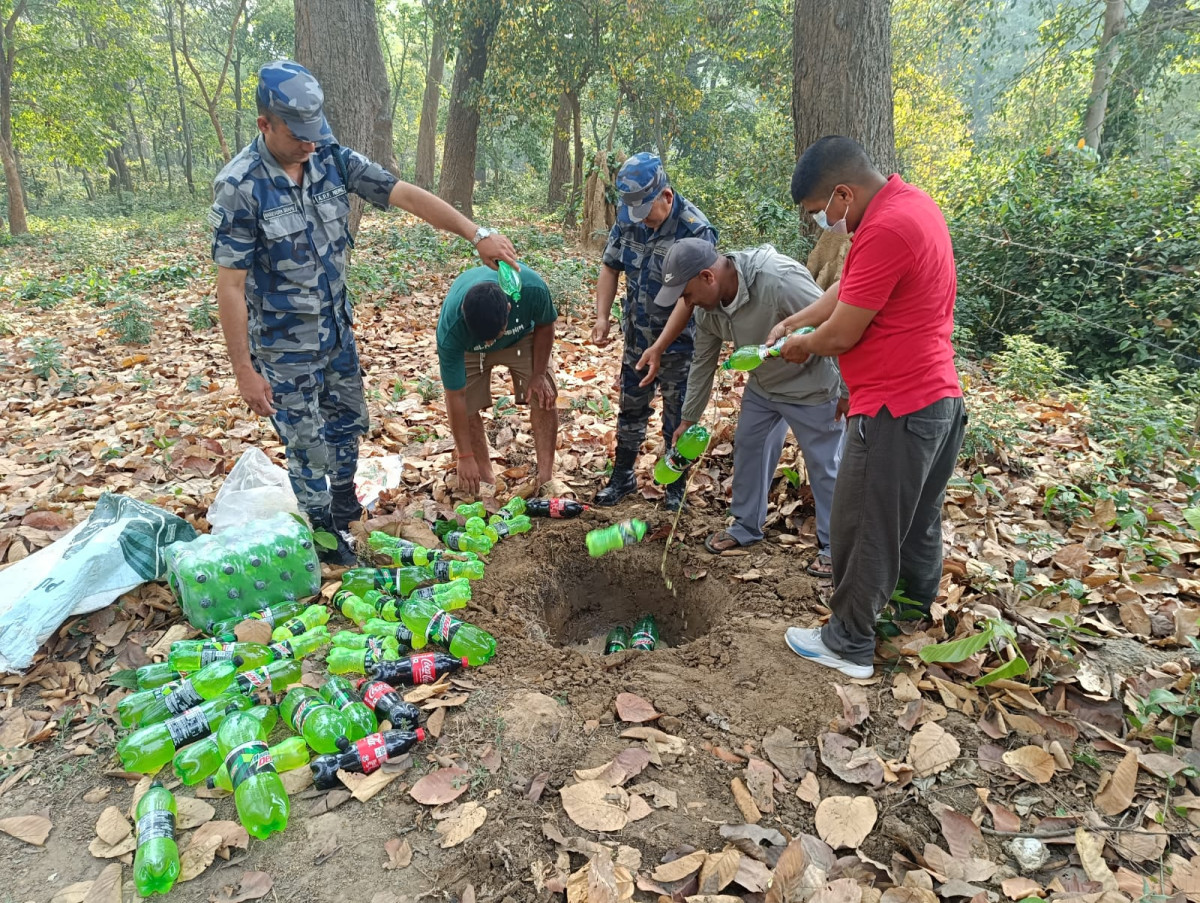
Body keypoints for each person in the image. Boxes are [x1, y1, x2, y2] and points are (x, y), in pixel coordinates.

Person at [210, 60, 516, 566]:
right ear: (265, 124)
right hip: (284, 348)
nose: (310, 145)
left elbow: (405, 194)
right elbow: (231, 285)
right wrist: (245, 370)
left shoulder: (330, 156)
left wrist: (475, 233)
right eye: (297, 135)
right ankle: (327, 540)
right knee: (305, 445)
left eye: (315, 133)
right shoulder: (239, 185)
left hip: (335, 332)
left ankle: (344, 501)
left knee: (347, 423)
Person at [770, 136, 966, 679]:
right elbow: (849, 294)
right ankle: (907, 612)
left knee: (864, 526)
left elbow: (842, 332)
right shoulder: (909, 206)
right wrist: (797, 319)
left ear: (840, 194)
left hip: (896, 408)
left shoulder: (885, 228)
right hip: (937, 399)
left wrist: (802, 343)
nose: (820, 224)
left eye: (818, 213)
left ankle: (848, 641)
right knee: (917, 519)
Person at [635, 239, 846, 575]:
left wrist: (849, 390)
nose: (686, 304)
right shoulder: (707, 307)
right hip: (763, 386)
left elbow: (838, 325)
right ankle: (746, 526)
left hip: (812, 387)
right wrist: (689, 419)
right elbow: (703, 361)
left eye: (687, 294)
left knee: (826, 466)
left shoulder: (779, 279)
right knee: (750, 447)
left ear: (708, 277)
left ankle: (838, 548)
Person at [590, 152, 717, 511]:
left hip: (680, 343)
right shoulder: (629, 219)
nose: (642, 221)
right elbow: (610, 266)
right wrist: (602, 316)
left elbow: (694, 297)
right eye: (636, 213)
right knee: (631, 408)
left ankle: (674, 487)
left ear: (667, 196)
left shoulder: (695, 230)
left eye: (648, 212)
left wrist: (661, 346)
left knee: (677, 417)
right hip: (637, 338)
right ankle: (623, 477)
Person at [435, 265, 558, 496]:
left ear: (509, 309)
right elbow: (456, 397)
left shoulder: (532, 289)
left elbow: (545, 324)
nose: (491, 344)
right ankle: (486, 480)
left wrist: (539, 374)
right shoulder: (451, 329)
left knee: (544, 395)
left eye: (496, 336)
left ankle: (546, 479)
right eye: (487, 339)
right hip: (471, 348)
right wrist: (464, 456)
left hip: (522, 336)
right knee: (468, 406)